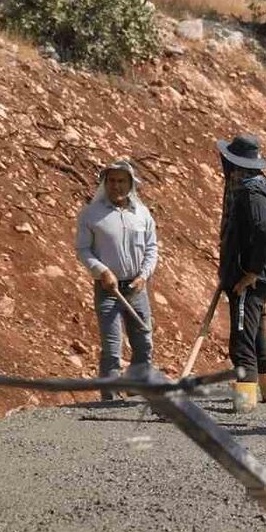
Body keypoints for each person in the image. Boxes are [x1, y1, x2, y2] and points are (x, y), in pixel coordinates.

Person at [75, 160, 159, 401]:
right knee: (112, 348)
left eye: (121, 181)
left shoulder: (142, 214)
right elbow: (82, 249)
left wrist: (144, 276)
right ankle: (109, 398)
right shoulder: (92, 214)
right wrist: (101, 271)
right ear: (105, 183)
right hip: (108, 289)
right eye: (111, 181)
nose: (116, 186)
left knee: (143, 342)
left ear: (130, 184)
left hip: (136, 288)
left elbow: (152, 248)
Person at [217, 134, 266, 413]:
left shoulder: (250, 191)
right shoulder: (260, 185)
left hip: (251, 276)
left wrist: (252, 271)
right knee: (256, 331)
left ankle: (245, 397)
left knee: (242, 333)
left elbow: (265, 231)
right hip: (253, 273)